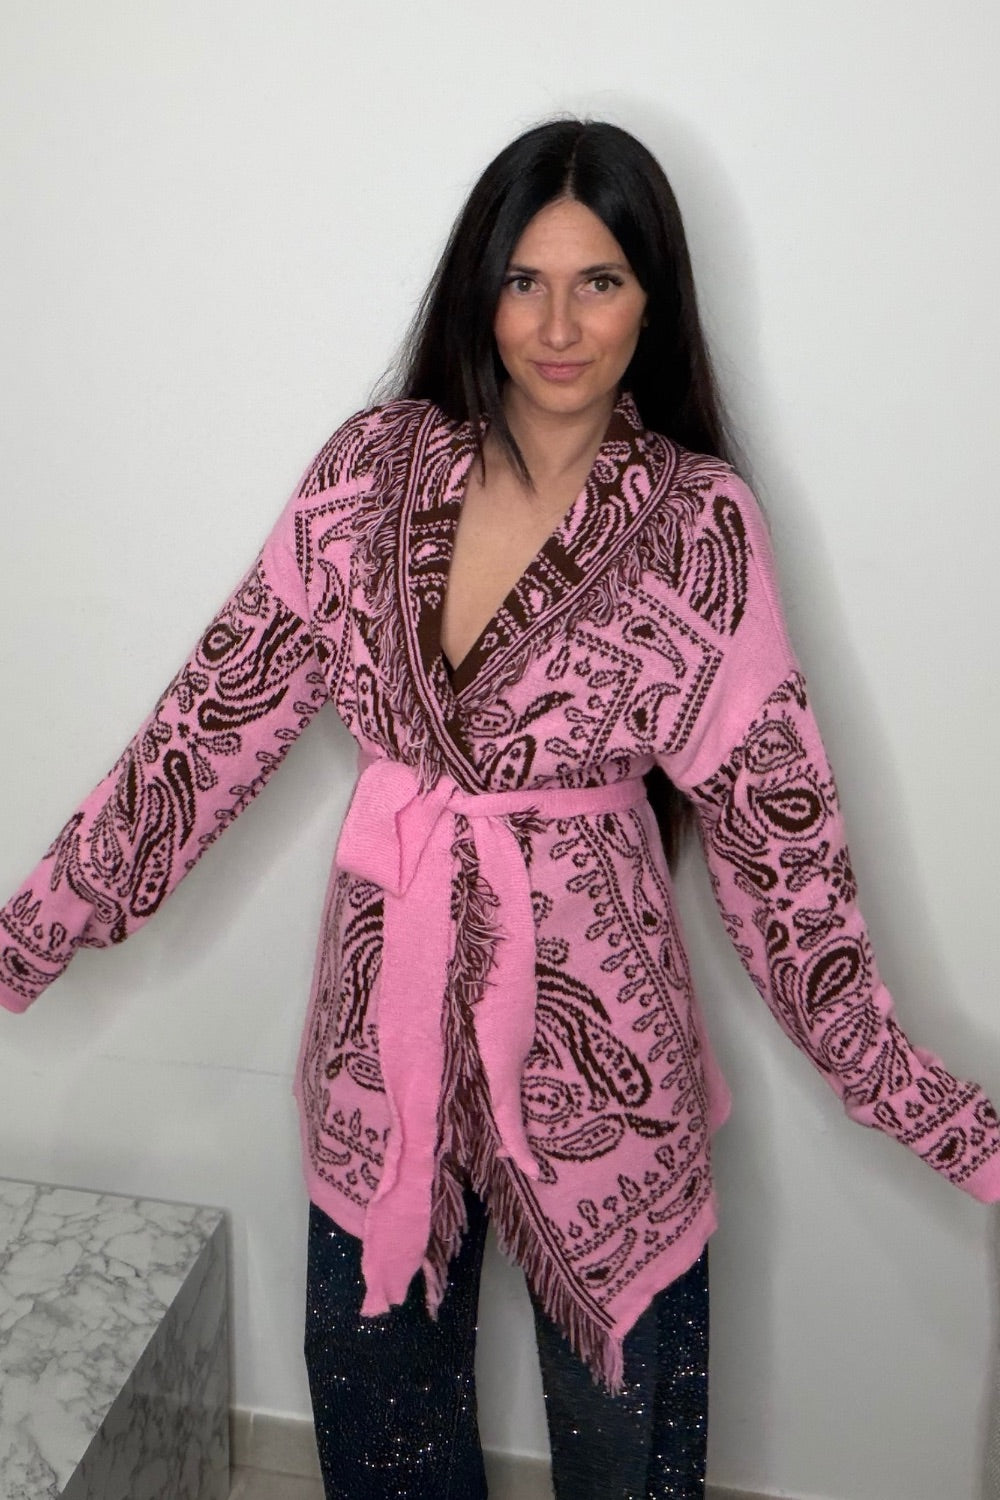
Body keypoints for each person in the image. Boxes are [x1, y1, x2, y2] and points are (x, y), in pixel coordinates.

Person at [1, 118, 998, 1500]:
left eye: (600, 282)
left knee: (628, 1448)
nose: (559, 326)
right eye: (525, 279)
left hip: (606, 1064)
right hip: (384, 1042)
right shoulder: (370, 475)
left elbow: (785, 851)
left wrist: (926, 1104)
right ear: (480, 286)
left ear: (655, 299)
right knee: (380, 1425)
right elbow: (210, 724)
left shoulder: (699, 529)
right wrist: (35, 928)